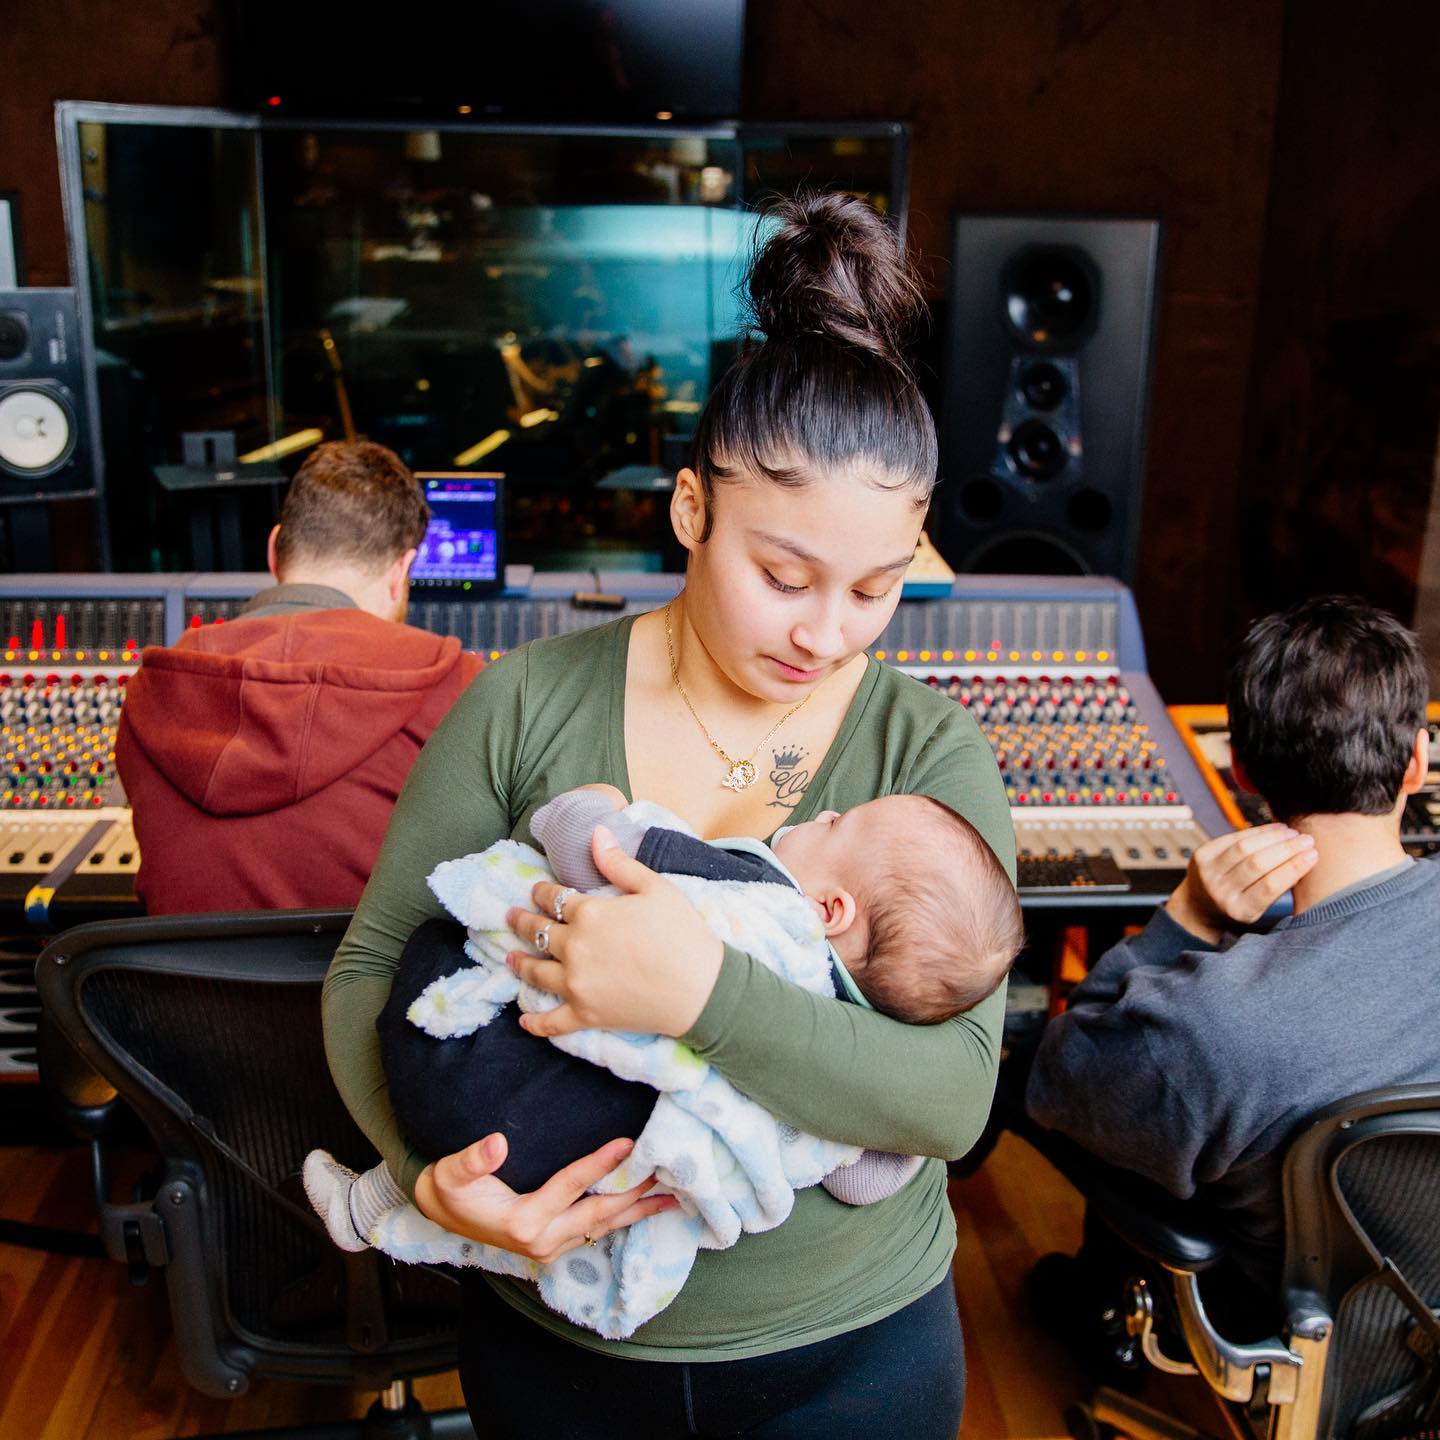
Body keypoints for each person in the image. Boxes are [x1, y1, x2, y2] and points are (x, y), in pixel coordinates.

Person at [323, 194, 1015, 1437]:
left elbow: (952, 1102)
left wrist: (695, 994)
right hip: (556, 1344)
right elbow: (369, 968)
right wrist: (433, 1181)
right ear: (693, 510)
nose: (826, 634)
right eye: (784, 576)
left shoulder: (926, 749)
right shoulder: (525, 703)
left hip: (852, 1354)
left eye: (876, 589)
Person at [305, 780, 1024, 1289]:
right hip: (583, 1173)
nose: (827, 811)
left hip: (462, 1072)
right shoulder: (855, 1045)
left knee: (453, 929)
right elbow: (865, 1179)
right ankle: (377, 1205)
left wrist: (596, 804)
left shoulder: (753, 891)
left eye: (839, 825)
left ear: (831, 909)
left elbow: (586, 849)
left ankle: (379, 1198)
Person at [1026, 596, 1440, 1318]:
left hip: (1316, 1331)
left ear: (1242, 770)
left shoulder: (1214, 1024)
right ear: (1416, 763)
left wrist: (1184, 919)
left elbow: (1059, 1081)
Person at [115, 440, 482, 913]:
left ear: (274, 551)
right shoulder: (454, 682)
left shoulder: (151, 691)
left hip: (191, 989)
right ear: (402, 570)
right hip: (365, 988)